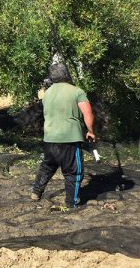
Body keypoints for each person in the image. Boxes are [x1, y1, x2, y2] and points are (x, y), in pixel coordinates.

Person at [31, 63, 96, 209]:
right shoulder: (77, 91)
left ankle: (36, 192)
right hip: (70, 139)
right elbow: (88, 112)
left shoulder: (47, 93)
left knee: (47, 166)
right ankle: (71, 202)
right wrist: (90, 131)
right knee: (73, 172)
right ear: (67, 75)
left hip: (50, 138)